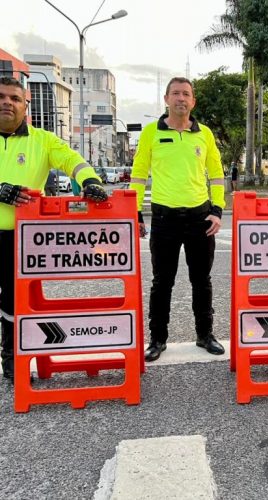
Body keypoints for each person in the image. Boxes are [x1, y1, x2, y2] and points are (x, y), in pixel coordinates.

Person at [0, 76, 108, 381]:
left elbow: (72, 160)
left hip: (19, 237)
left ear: (25, 106)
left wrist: (90, 181)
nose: (7, 102)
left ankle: (11, 356)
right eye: (1, 97)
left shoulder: (43, 140)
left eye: (14, 98)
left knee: (13, 300)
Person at [131, 77, 226, 362]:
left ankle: (205, 334)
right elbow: (139, 174)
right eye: (175, 93)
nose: (181, 98)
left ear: (193, 101)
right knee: (162, 282)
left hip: (200, 218)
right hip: (164, 218)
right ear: (166, 99)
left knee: (202, 280)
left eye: (186, 94)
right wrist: (135, 212)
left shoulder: (204, 134)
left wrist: (217, 210)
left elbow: (216, 174)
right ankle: (157, 339)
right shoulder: (151, 132)